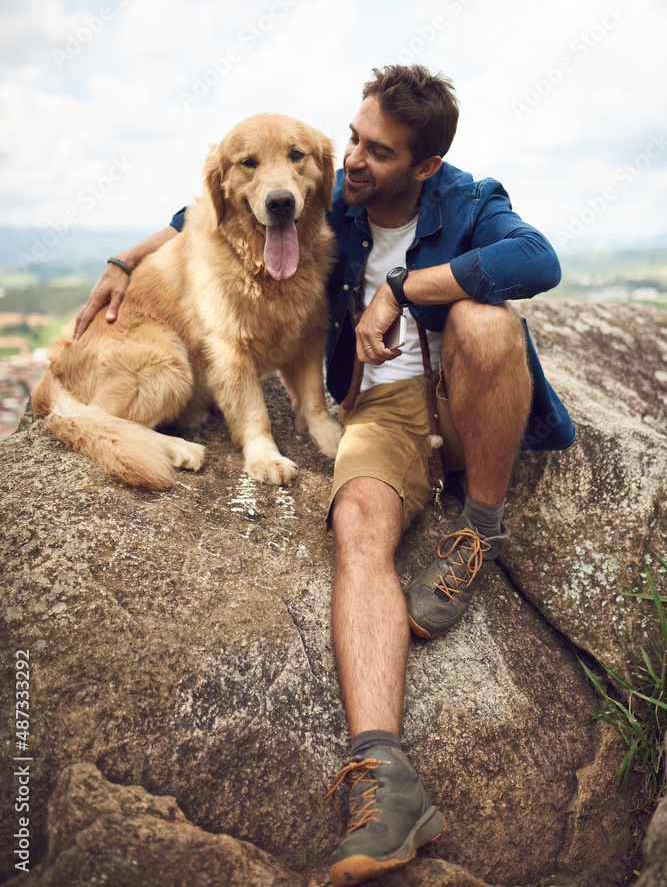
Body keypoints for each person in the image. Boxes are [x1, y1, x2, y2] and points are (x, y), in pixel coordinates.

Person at [74, 64, 575, 887]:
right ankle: (382, 774)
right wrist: (126, 259)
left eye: (374, 151)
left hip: (459, 391)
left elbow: (536, 258)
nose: (348, 160)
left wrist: (401, 290)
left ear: (423, 167)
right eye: (349, 137)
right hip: (378, 413)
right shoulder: (326, 192)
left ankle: (478, 526)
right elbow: (211, 205)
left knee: (488, 322)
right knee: (356, 526)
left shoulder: (467, 200)